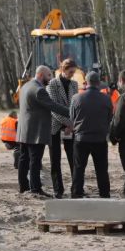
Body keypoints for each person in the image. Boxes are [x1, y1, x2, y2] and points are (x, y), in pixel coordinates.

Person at [16, 65, 71, 197]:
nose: (50, 79)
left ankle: (23, 186)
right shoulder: (39, 90)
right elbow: (53, 106)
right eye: (48, 76)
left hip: (24, 130)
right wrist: (72, 112)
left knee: (24, 159)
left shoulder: (25, 86)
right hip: (36, 132)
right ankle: (35, 188)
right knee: (35, 160)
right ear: (40, 75)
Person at [69, 71, 113, 198]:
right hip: (99, 139)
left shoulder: (76, 98)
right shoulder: (106, 98)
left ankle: (76, 193)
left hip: (81, 139)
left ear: (85, 83)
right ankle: (104, 194)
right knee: (101, 169)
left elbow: (72, 117)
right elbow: (110, 117)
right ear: (98, 83)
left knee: (79, 168)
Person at [45, 58, 80, 198]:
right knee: (55, 160)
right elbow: (53, 108)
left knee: (73, 158)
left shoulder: (74, 84)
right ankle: (58, 189)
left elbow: (75, 106)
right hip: (55, 126)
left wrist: (71, 125)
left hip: (70, 128)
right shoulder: (52, 84)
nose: (72, 74)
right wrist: (68, 123)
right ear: (63, 70)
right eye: (71, 72)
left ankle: (76, 188)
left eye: (74, 72)